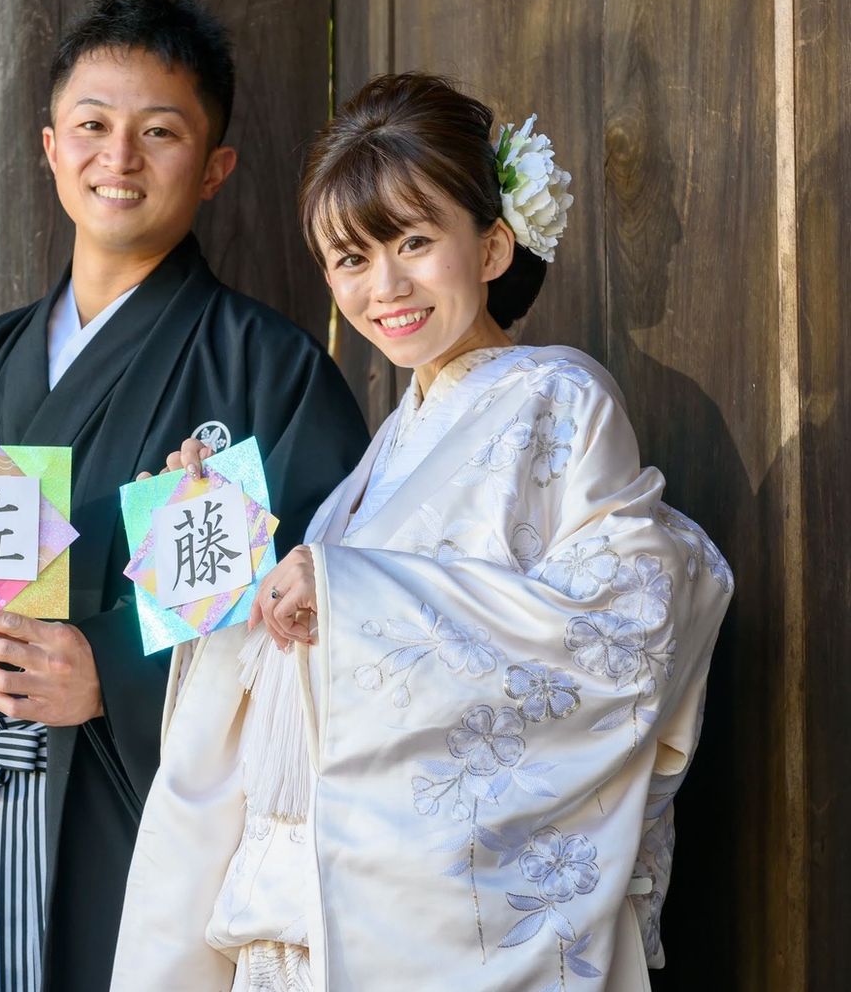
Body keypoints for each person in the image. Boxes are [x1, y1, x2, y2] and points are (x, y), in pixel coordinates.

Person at [111, 73, 733, 991]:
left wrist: (348, 597)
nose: (385, 286)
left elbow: (624, 630)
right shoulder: (370, 470)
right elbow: (292, 675)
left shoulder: (559, 398)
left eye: (413, 241)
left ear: (491, 245)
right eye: (350, 259)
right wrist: (213, 551)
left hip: (417, 923)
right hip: (290, 922)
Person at [0, 0, 368, 992]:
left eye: (159, 132)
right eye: (92, 125)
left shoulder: (268, 374)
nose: (119, 157)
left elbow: (316, 623)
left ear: (214, 167)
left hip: (126, 841)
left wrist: (113, 673)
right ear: (49, 146)